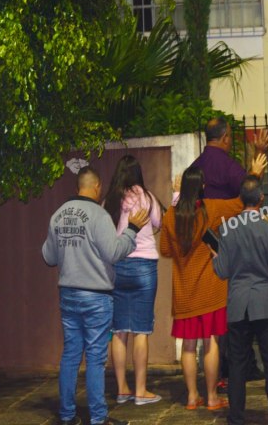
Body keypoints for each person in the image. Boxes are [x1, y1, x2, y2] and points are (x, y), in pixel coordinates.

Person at [42, 166, 150, 425]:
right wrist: (132, 230)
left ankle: (67, 415)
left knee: (70, 354)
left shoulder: (57, 216)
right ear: (96, 186)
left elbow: (48, 257)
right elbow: (114, 253)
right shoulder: (98, 216)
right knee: (94, 357)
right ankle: (98, 418)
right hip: (96, 298)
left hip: (68, 294)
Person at [160, 156, 267, 411]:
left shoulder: (170, 216)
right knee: (211, 343)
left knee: (188, 345)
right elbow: (241, 203)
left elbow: (165, 249)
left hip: (184, 292)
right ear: (202, 187)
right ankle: (211, 397)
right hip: (210, 290)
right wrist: (254, 173)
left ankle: (190, 397)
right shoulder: (210, 209)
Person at [212, 176, 268, 425]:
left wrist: (215, 255)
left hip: (239, 304)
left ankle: (236, 418)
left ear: (241, 200)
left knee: (237, 366)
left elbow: (221, 271)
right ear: (261, 199)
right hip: (265, 303)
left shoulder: (227, 229)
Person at [192, 117, 268, 384]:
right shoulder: (226, 165)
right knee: (230, 312)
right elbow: (247, 193)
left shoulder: (196, 167)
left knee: (213, 316)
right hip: (229, 243)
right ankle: (234, 368)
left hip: (202, 245)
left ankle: (229, 369)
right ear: (225, 137)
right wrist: (258, 165)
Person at [103, 155, 162, 406]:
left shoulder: (110, 201)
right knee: (141, 330)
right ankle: (140, 391)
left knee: (119, 331)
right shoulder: (148, 198)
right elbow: (159, 224)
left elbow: (104, 233)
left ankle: (122, 389)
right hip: (145, 266)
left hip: (118, 267)